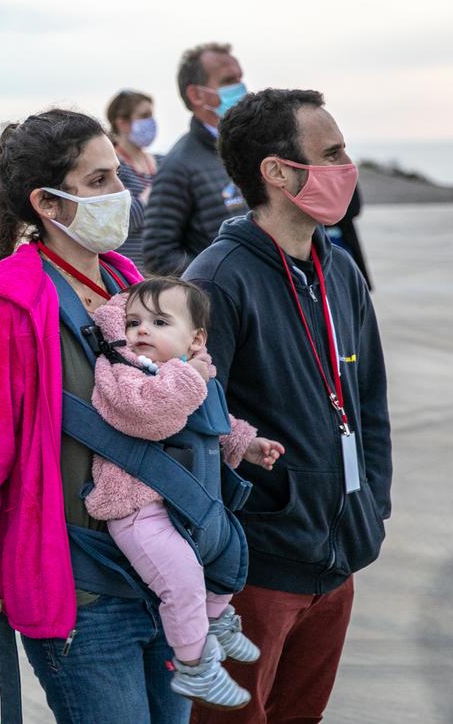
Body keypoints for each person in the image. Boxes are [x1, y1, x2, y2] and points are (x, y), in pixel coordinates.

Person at [0, 108, 209, 724]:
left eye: (118, 175)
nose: (121, 192)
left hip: (159, 573)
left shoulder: (126, 280)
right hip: (81, 593)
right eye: (99, 180)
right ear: (47, 205)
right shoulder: (11, 304)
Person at [186, 89, 392, 723]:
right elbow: (193, 429)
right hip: (259, 566)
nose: (345, 167)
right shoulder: (218, 280)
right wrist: (230, 545)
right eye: (330, 154)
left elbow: (371, 401)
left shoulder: (340, 271)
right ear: (277, 171)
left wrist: (372, 507)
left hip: (338, 555)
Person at [84, 277, 284, 709]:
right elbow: (146, 416)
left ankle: (213, 624)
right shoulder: (119, 372)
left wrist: (243, 442)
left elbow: (211, 420)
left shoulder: (193, 372)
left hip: (190, 504)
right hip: (138, 508)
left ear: (195, 338)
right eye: (133, 321)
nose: (141, 331)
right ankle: (196, 669)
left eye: (158, 322)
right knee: (183, 582)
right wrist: (189, 376)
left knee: (230, 556)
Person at [142, 43, 249, 276]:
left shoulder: (250, 149)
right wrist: (219, 280)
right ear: (196, 94)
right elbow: (158, 255)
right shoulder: (179, 165)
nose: (241, 88)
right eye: (229, 81)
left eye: (240, 79)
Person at [106, 89, 161, 272]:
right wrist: (155, 194)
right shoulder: (112, 168)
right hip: (129, 273)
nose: (151, 122)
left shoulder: (162, 162)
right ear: (122, 123)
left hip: (164, 270)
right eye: (144, 116)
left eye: (151, 115)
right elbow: (119, 221)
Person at [329, 184, 372, 289]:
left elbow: (355, 208)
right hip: (320, 241)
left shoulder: (346, 175)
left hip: (342, 238)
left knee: (348, 283)